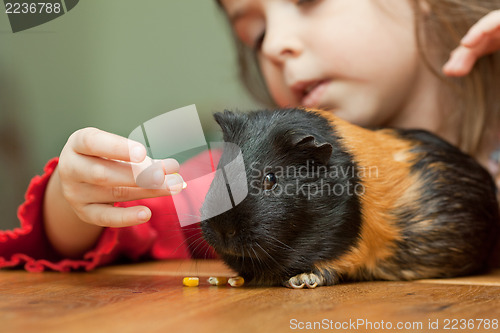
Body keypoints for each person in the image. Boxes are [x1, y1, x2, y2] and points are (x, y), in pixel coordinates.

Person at [1, 0, 499, 272]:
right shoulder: (223, 170)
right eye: (255, 36)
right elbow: (127, 224)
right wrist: (75, 200)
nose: (277, 45)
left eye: (308, 0)